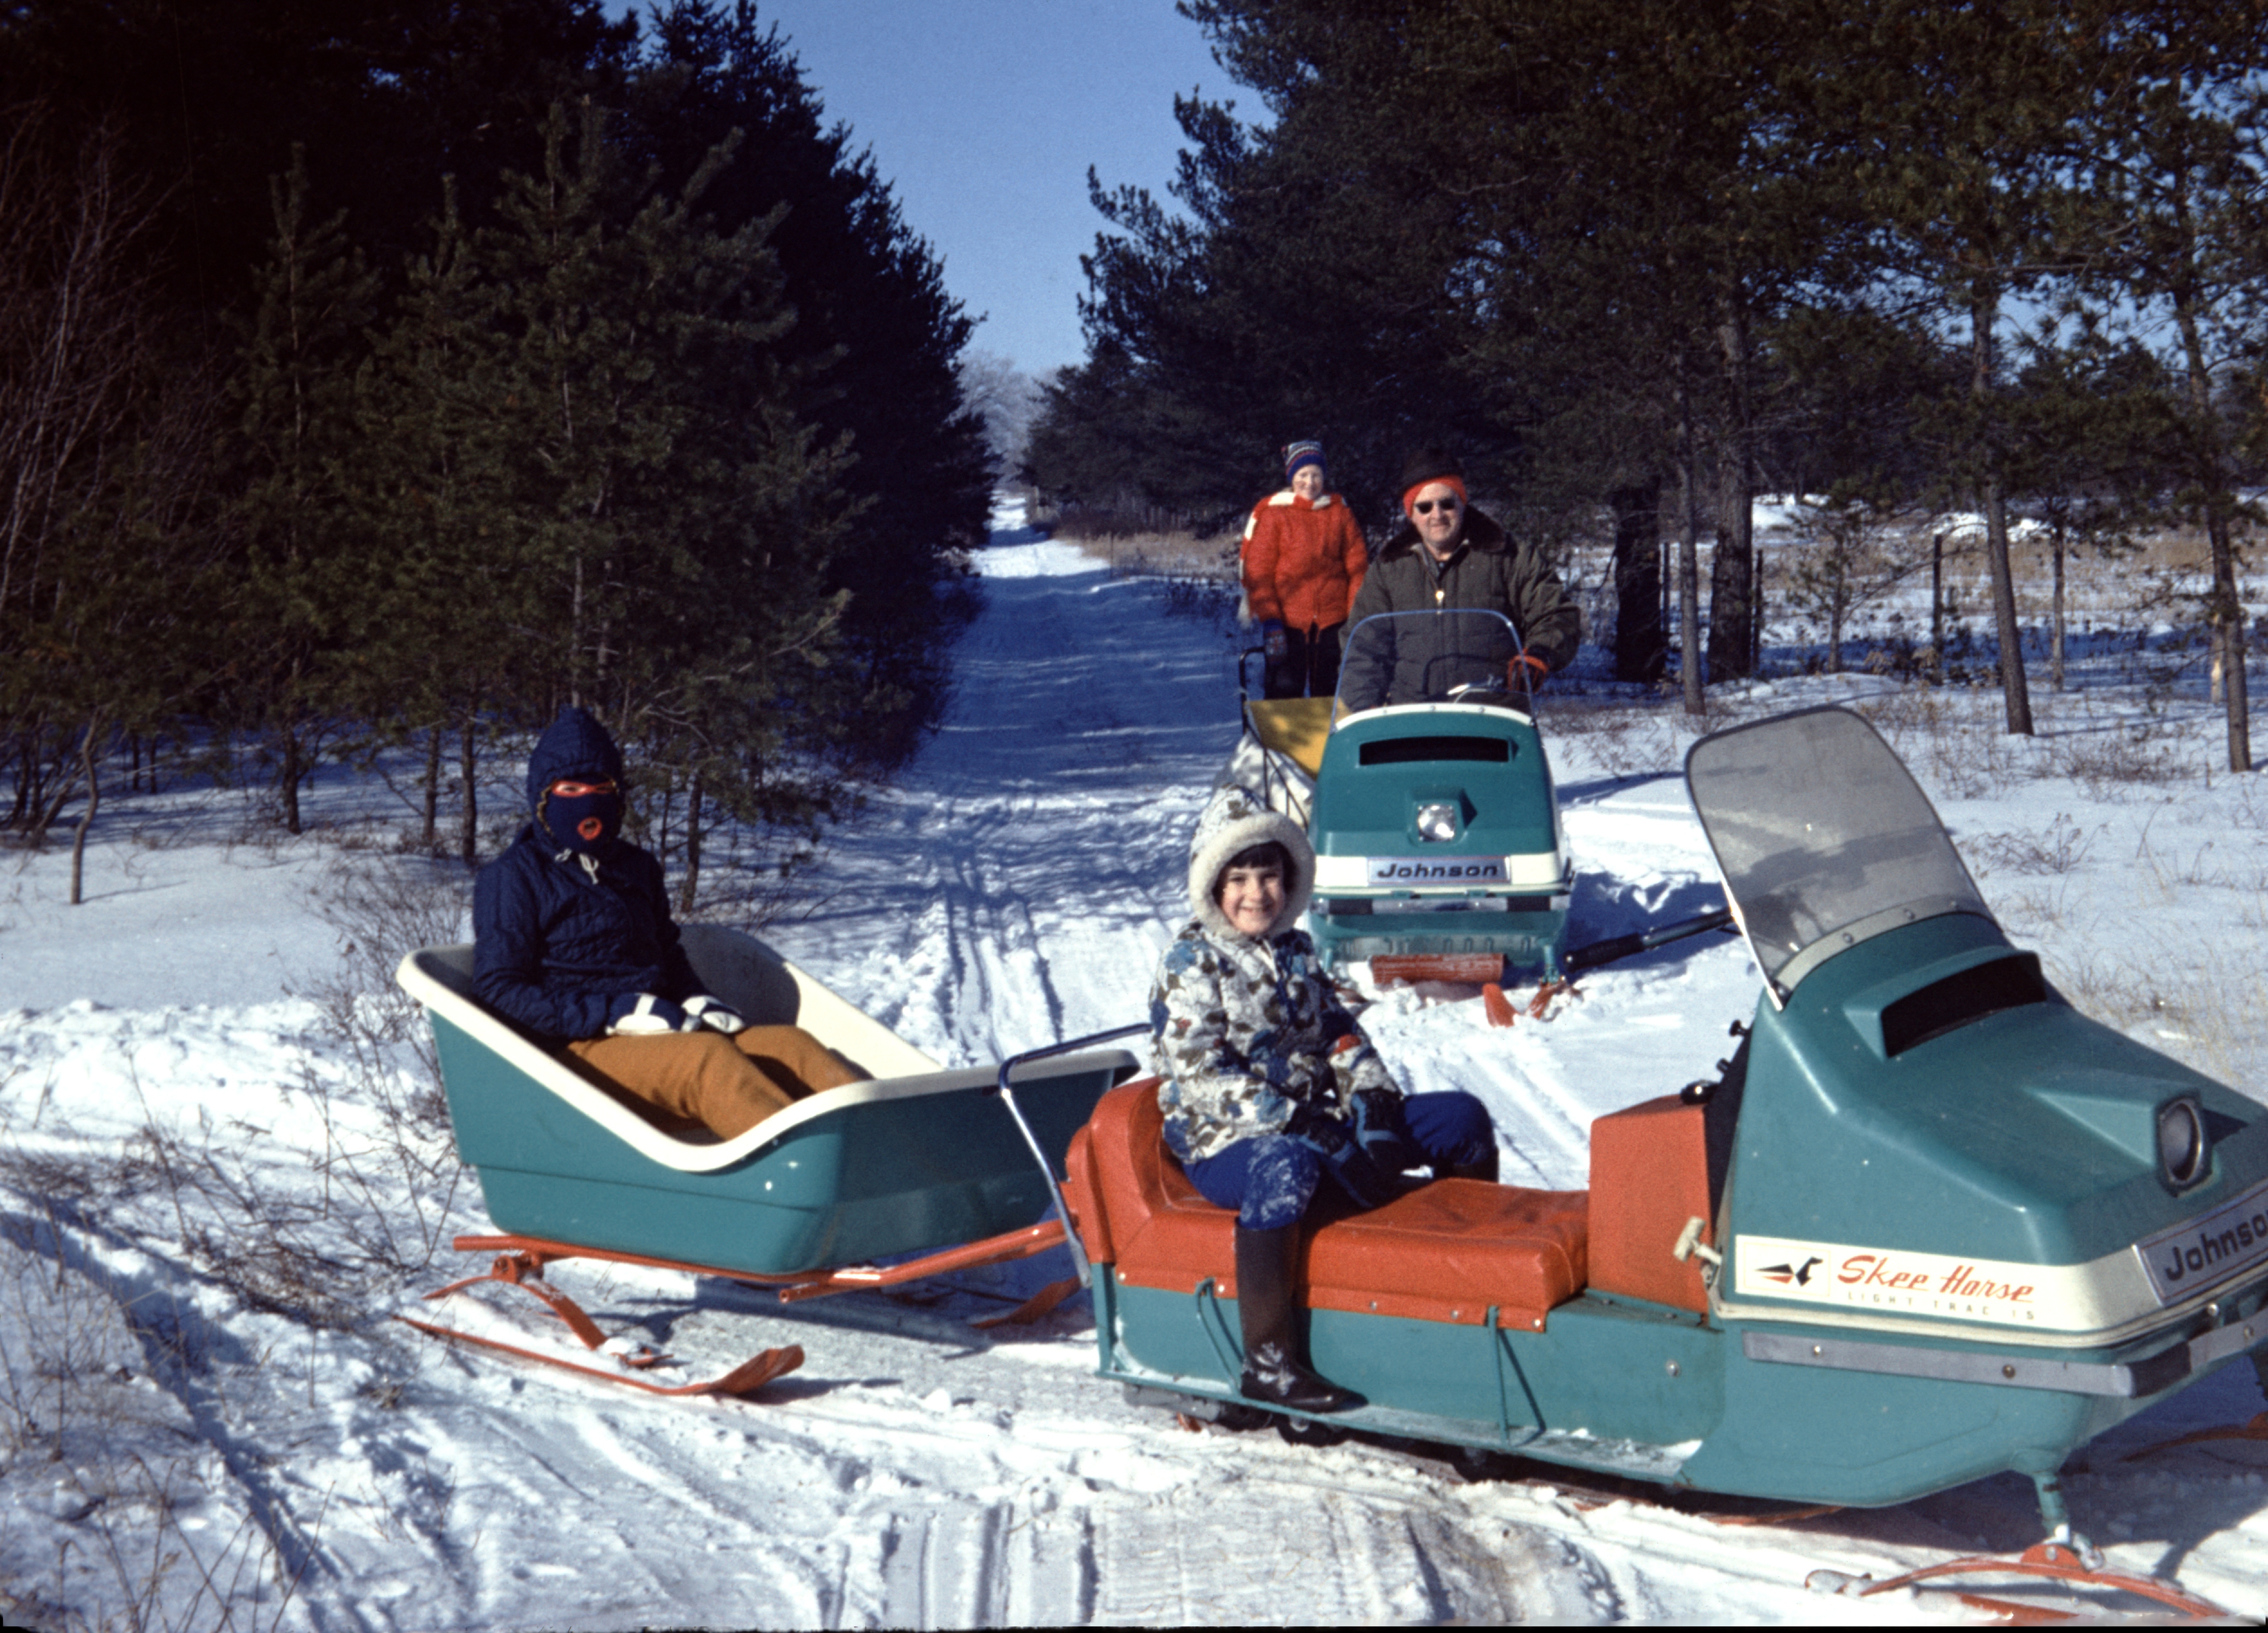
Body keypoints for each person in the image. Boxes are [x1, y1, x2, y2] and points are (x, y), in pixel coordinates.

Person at [1149, 786, 1500, 1412]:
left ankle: (1473, 1291)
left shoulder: (1295, 950)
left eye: (1270, 876)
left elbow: (1339, 1030)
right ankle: (1268, 1363)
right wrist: (1301, 1123)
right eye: (1239, 879)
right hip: (1225, 1140)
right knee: (1288, 1164)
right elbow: (1202, 1072)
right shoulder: (1190, 962)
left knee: (1461, 1118)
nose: (1257, 893)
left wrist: (1372, 1099)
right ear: (1213, 885)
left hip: (1320, 1123)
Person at [474, 706, 863, 1140]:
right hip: (573, 1051)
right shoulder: (514, 876)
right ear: (542, 798)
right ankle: (802, 1176)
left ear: (619, 794)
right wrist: (611, 1012)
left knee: (794, 1048)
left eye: (601, 786)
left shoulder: (636, 867)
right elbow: (499, 988)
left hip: (663, 1028)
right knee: (707, 1061)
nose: (587, 799)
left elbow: (667, 953)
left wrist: (697, 998)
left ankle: (884, 1162)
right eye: (570, 787)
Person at [1340, 448, 1583, 711]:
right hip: (1413, 718)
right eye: (1424, 507)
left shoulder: (1508, 555)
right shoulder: (1389, 570)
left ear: (1462, 503)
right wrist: (1366, 711)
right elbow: (1362, 647)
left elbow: (1556, 612)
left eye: (1447, 503)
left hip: (1493, 713)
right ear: (1411, 514)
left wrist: (1540, 652)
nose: (1437, 515)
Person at [1242, 440, 1371, 700]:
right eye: (1303, 475)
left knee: (1335, 697)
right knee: (1284, 695)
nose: (1310, 482)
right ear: (1292, 477)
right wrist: (1271, 621)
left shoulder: (1340, 513)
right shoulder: (1275, 515)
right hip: (1288, 624)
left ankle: (1334, 741)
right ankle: (1280, 742)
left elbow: (1358, 569)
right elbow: (1259, 573)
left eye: (1316, 475)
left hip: (1334, 623)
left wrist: (1354, 617)